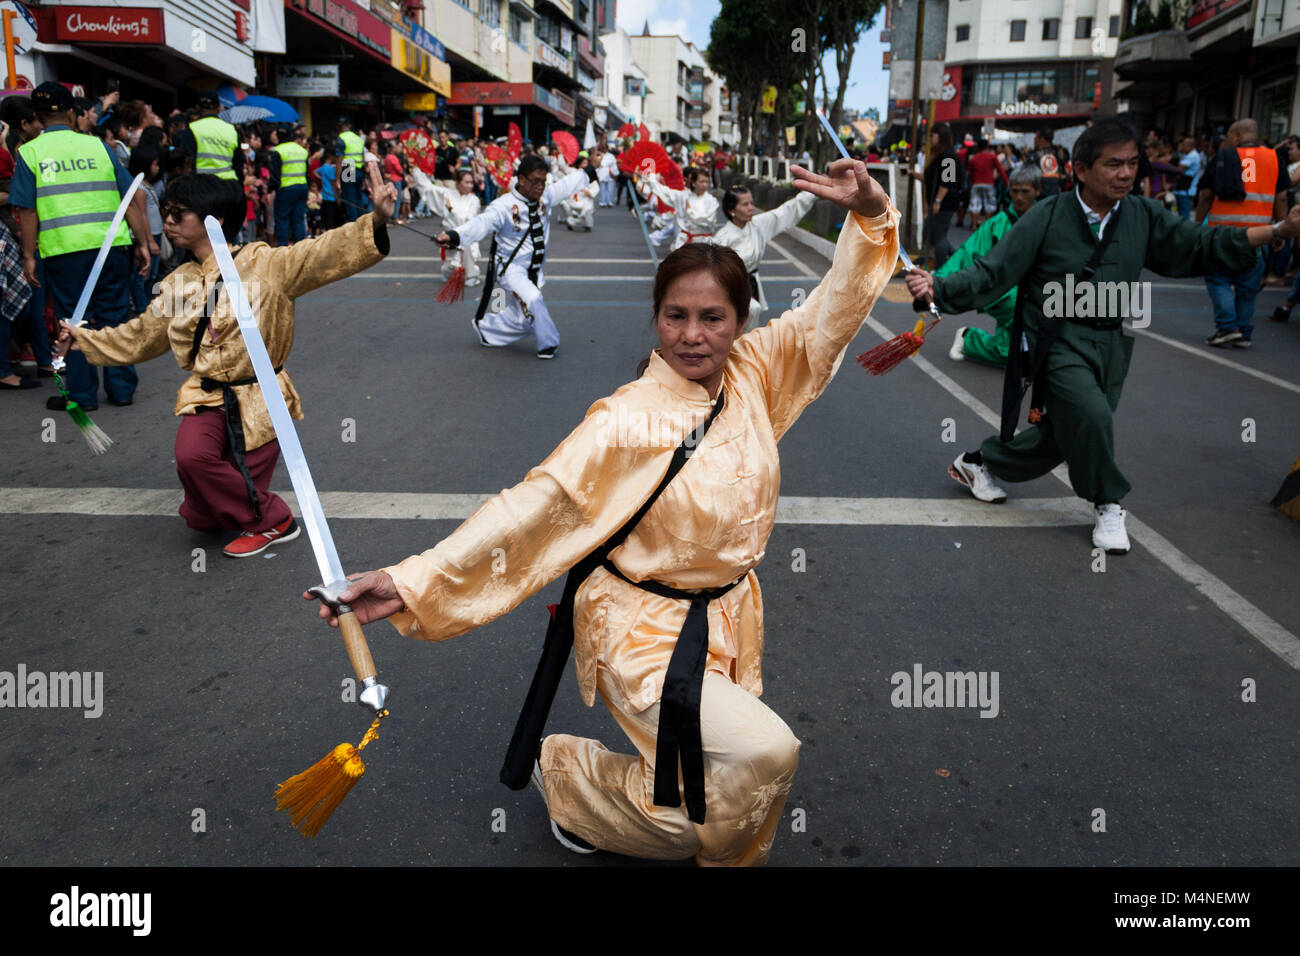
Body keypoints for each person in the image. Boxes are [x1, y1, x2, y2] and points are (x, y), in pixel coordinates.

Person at [306, 157, 897, 866]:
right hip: (642, 632)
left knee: (689, 812)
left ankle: (595, 797)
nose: (692, 335)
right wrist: (412, 580)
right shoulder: (627, 418)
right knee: (767, 755)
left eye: (713, 317)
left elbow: (833, 315)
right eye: (675, 316)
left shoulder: (756, 374)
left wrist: (871, 216)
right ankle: (573, 776)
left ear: (741, 321)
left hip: (731, 623)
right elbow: (537, 505)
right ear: (654, 318)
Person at [906, 118, 1300, 554]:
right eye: (1113, 164)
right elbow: (994, 270)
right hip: (1055, 340)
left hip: (1111, 343)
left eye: (1132, 163)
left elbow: (1201, 244)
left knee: (1067, 432)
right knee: (1091, 416)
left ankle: (980, 463)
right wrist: (937, 287)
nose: (1126, 173)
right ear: (1081, 169)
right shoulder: (1047, 216)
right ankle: (1108, 502)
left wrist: (1279, 231)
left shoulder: (1143, 215)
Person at [52, 171, 397, 558]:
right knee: (194, 474)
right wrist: (83, 339)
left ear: (212, 220)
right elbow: (142, 336)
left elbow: (322, 252)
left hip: (261, 399)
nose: (167, 221)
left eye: (179, 213)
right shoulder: (176, 282)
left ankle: (275, 521)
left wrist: (376, 220)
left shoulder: (264, 264)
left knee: (237, 481)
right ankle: (234, 509)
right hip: (207, 393)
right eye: (166, 212)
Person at [11, 81, 153, 412]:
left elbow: (28, 211)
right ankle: (121, 390)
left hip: (65, 251)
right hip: (111, 247)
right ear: (72, 114)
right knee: (115, 317)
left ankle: (82, 395)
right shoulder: (99, 148)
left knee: (73, 323)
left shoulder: (29, 153)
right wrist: (143, 242)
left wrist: (29, 256)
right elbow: (129, 197)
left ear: (38, 116)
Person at [435, 150, 602, 359]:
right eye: (535, 181)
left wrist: (591, 168)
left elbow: (569, 183)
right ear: (521, 179)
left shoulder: (546, 195)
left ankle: (487, 330)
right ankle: (548, 344)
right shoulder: (503, 206)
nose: (540, 186)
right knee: (533, 299)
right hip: (511, 270)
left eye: (543, 181)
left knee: (521, 318)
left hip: (534, 269)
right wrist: (453, 235)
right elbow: (481, 224)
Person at [1193, 118, 1291, 348]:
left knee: (1218, 278)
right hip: (1259, 235)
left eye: (1229, 135)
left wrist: (1197, 226)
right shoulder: (1275, 159)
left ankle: (1227, 327)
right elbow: (1282, 197)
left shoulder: (1223, 158)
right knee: (1248, 286)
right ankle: (1244, 332)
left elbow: (1206, 195)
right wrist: (1280, 229)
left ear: (1237, 136)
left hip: (1222, 234)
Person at [942, 164, 1042, 367]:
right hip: (1002, 292)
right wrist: (937, 284)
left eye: (1025, 192)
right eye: (1015, 192)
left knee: (1012, 352)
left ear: (1037, 191)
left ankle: (968, 339)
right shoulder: (997, 224)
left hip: (1037, 291)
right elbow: (967, 254)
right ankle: (971, 338)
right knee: (1022, 312)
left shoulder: (1047, 218)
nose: (1019, 197)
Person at [910, 123, 961, 270]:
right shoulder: (940, 156)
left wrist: (938, 201)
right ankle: (959, 258)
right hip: (938, 201)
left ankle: (940, 271)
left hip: (945, 203)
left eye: (933, 135)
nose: (930, 139)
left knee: (938, 236)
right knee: (931, 233)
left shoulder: (948, 157)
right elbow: (932, 179)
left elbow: (947, 181)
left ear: (942, 137)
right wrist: (913, 174)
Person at [643, 167, 720, 249]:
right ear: (693, 182)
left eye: (707, 182)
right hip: (684, 241)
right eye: (701, 182)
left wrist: (690, 211)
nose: (704, 185)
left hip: (704, 242)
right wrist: (651, 179)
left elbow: (705, 219)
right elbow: (666, 192)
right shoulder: (683, 196)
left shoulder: (711, 201)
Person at [429, 168, 483, 284]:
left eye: (471, 182)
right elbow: (428, 188)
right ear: (458, 183)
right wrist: (417, 170)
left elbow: (469, 219)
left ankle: (471, 276)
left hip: (467, 236)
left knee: (469, 271)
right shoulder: (448, 194)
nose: (470, 185)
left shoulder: (474, 200)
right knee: (450, 269)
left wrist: (452, 210)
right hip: (450, 237)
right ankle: (451, 272)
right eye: (466, 182)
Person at [178, 93, 242, 182]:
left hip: (201, 186)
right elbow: (238, 164)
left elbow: (186, 161)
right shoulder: (232, 130)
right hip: (228, 186)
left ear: (197, 108)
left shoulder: (192, 129)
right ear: (219, 108)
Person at [270, 126, 309, 245]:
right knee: (299, 219)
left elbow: (275, 175)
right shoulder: (302, 150)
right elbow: (306, 172)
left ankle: (282, 248)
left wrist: (272, 188)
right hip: (302, 187)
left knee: (282, 219)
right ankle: (300, 248)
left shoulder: (278, 150)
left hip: (286, 189)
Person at [965, 138, 1009, 230]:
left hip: (976, 183)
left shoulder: (974, 158)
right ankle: (987, 225)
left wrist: (972, 182)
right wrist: (1006, 182)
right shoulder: (992, 156)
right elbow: (1000, 170)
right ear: (987, 146)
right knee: (990, 204)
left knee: (975, 204)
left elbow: (970, 173)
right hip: (989, 183)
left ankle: (974, 225)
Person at [335, 117, 366, 222]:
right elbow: (363, 158)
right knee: (359, 199)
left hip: (348, 167)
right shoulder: (358, 138)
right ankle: (362, 224)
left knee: (349, 200)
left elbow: (339, 160)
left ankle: (353, 226)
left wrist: (337, 178)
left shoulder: (341, 138)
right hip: (359, 169)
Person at [1026, 127, 1071, 199]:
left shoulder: (1034, 157)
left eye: (1036, 138)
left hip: (1039, 199)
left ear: (1042, 139)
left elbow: (1027, 178)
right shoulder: (1058, 156)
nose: (1034, 141)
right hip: (1056, 197)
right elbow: (1064, 178)